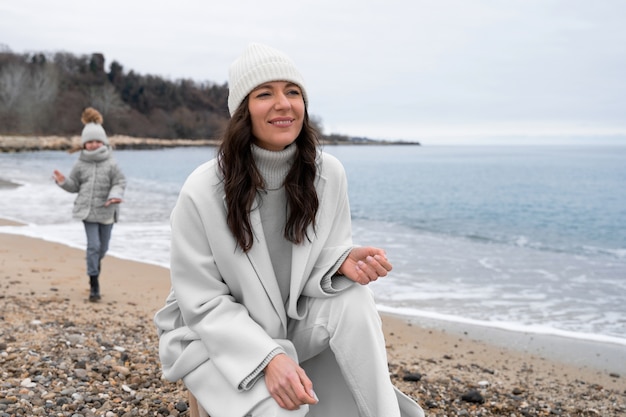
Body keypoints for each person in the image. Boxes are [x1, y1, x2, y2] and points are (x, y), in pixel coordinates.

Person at [153, 43, 424, 417]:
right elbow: (201, 303)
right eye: (265, 93)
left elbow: (313, 266)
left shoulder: (328, 175)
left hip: (289, 321)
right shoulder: (203, 189)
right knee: (282, 412)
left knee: (354, 300)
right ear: (242, 111)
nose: (284, 104)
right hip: (212, 337)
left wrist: (340, 262)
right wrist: (268, 358)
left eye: (292, 92)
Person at [53, 107, 126, 302]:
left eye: (97, 141)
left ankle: (94, 268)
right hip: (87, 211)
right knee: (93, 246)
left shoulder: (111, 163)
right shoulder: (80, 163)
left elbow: (120, 182)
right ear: (84, 144)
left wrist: (115, 195)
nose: (93, 145)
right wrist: (62, 181)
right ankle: (94, 284)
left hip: (107, 211)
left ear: (103, 142)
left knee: (103, 249)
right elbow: (74, 186)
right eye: (90, 142)